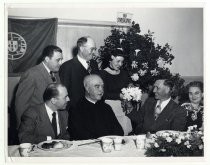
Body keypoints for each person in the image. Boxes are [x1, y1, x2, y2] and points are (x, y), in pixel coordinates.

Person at [15, 45, 63, 128]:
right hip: (36, 124)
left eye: (61, 60)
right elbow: (21, 106)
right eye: (58, 60)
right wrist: (23, 129)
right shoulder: (31, 74)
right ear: (47, 59)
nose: (61, 63)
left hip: (53, 123)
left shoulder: (56, 74)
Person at [69, 74, 124, 140]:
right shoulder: (76, 109)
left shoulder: (106, 107)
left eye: (102, 86)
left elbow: (119, 131)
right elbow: (79, 135)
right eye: (97, 86)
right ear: (87, 88)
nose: (101, 90)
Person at [59, 36, 99, 110]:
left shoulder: (94, 64)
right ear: (81, 48)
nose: (94, 52)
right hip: (76, 111)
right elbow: (64, 94)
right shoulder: (67, 66)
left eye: (95, 49)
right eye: (92, 49)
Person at [99, 48, 132, 135]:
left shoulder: (124, 74)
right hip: (109, 108)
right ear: (111, 58)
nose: (120, 64)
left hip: (122, 108)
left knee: (123, 133)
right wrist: (119, 96)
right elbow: (102, 94)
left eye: (122, 62)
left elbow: (127, 89)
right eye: (118, 61)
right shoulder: (102, 74)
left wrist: (130, 91)